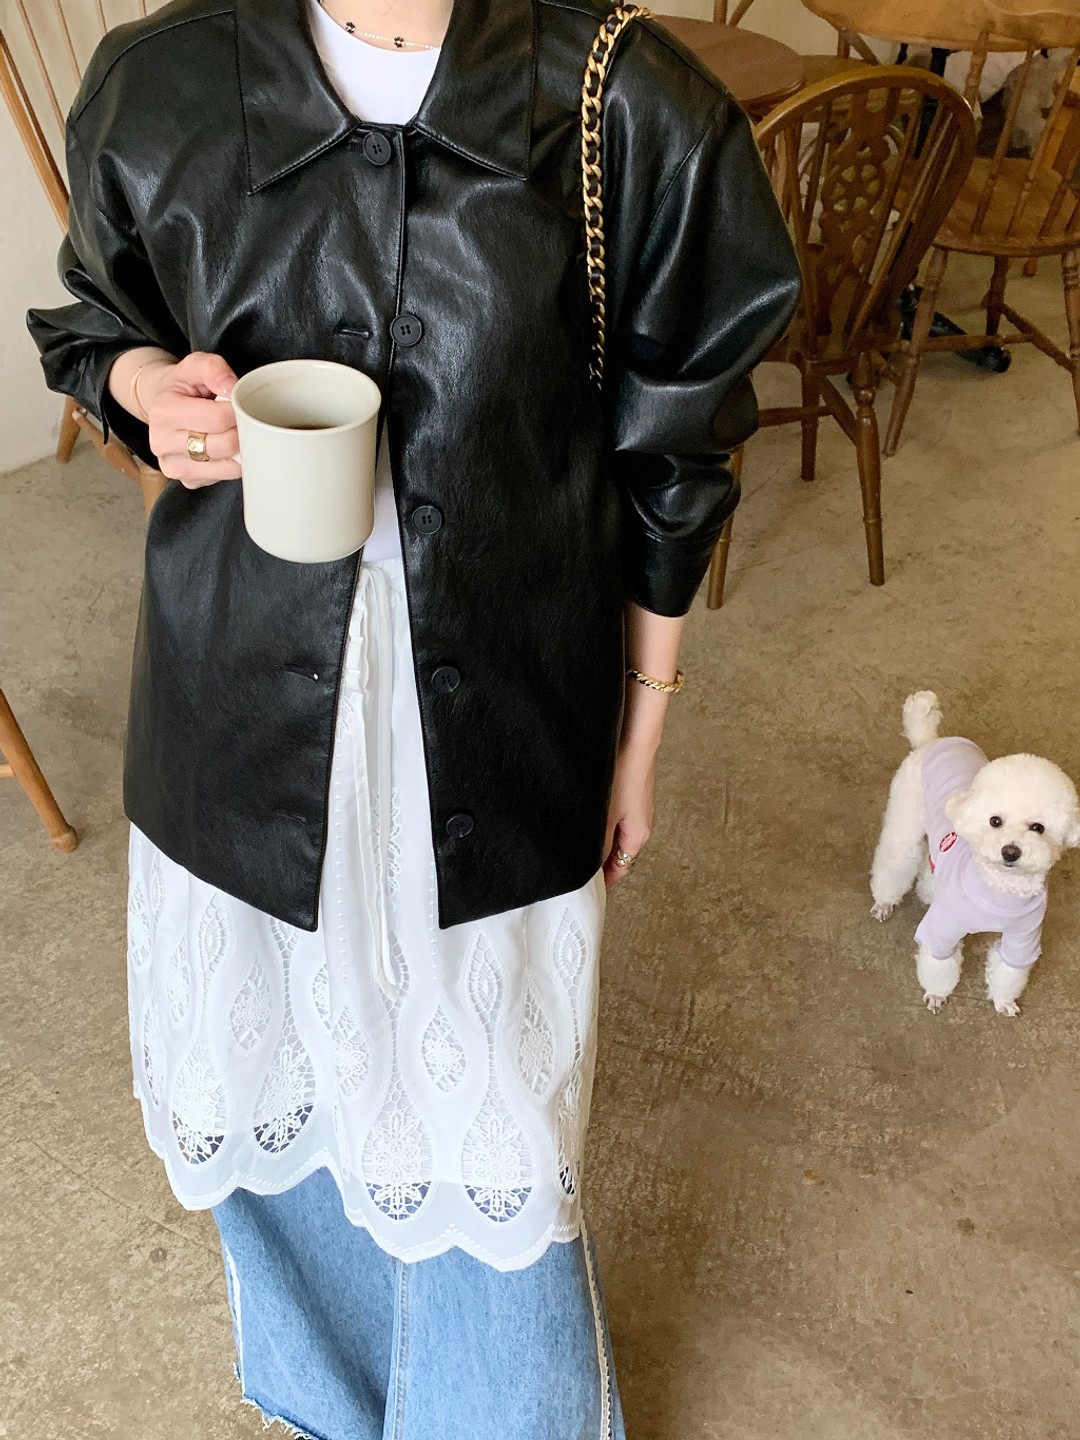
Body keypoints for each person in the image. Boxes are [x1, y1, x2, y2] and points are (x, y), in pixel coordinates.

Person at [28, 0, 799, 1433]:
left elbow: (677, 456)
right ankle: (330, 1400)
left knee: (492, 1105)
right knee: (264, 1066)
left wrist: (637, 736)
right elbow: (94, 322)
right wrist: (146, 391)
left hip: (501, 710)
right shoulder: (161, 80)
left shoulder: (631, 103)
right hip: (234, 702)